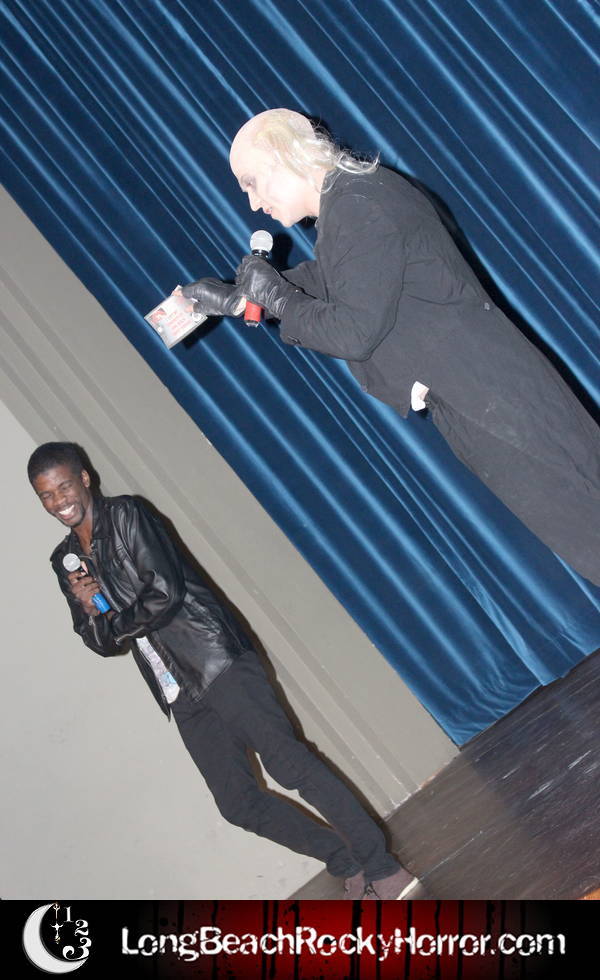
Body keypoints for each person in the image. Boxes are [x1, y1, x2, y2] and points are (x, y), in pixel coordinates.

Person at [181, 108, 600, 587]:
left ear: (283, 156)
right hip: (479, 396)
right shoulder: (351, 200)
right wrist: (238, 298)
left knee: (587, 529)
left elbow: (351, 332)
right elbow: (330, 280)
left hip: (491, 398)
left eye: (253, 184)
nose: (255, 204)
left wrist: (275, 296)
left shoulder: (357, 204)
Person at [28, 440, 417, 901]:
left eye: (63, 487)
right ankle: (346, 861)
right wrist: (91, 608)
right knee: (237, 803)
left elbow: (164, 593)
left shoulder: (127, 515)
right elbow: (99, 642)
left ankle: (384, 870)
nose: (59, 501)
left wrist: (112, 619)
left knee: (290, 764)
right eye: (46, 495)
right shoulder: (65, 561)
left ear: (84, 479)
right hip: (177, 690)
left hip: (216, 660)